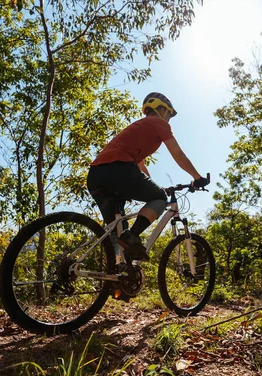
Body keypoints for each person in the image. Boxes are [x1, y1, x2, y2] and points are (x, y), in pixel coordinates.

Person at [87, 92, 208, 261]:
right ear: (161, 110)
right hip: (119, 168)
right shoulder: (158, 123)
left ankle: (115, 276)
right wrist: (197, 177)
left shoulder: (139, 128)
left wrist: (153, 184)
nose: (169, 119)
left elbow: (140, 165)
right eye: (169, 114)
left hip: (96, 176)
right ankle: (133, 235)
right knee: (159, 198)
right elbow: (177, 153)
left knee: (117, 232)